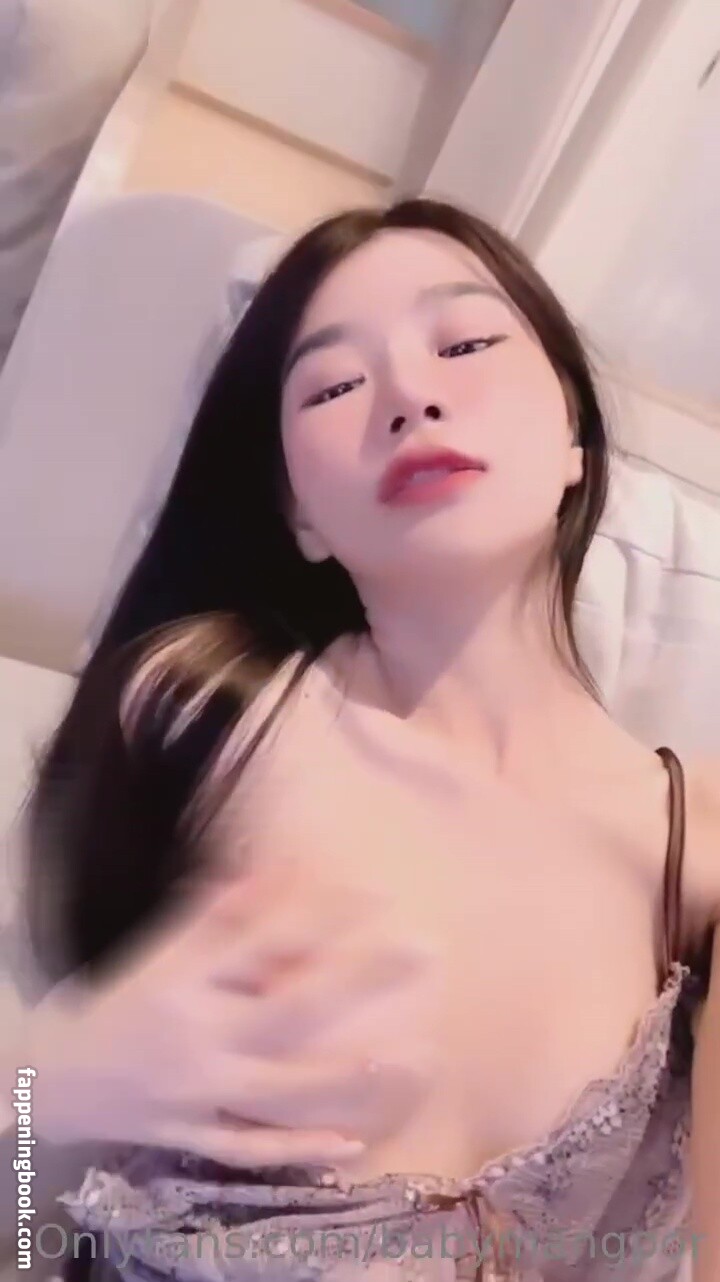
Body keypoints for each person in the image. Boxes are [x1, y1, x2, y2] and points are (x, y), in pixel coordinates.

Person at [5, 199, 720, 1281]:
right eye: (335, 386)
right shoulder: (208, 715)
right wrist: (52, 1088)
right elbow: (22, 1224)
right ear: (299, 513)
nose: (409, 398)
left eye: (465, 344)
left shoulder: (694, 843)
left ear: (574, 438)